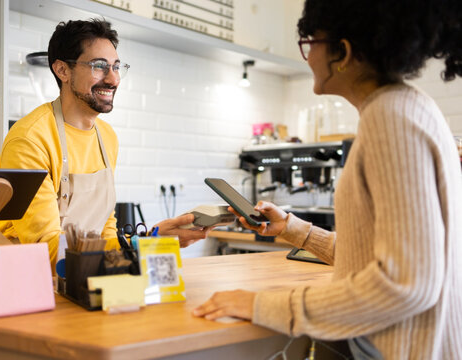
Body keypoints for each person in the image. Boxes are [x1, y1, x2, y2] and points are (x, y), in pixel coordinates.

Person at [193, 0, 462, 358]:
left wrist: (262, 305)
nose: (308, 57)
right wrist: (294, 229)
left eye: (310, 43)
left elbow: (406, 284)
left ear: (343, 52)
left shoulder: (390, 119)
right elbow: (371, 258)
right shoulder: (406, 108)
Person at [0, 18, 209, 270]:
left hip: (87, 274)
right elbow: (47, 249)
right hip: (30, 280)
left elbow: (105, 226)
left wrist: (147, 243)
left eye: (116, 67)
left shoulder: (106, 136)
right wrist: (144, 243)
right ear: (62, 70)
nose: (113, 79)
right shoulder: (30, 139)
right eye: (99, 66)